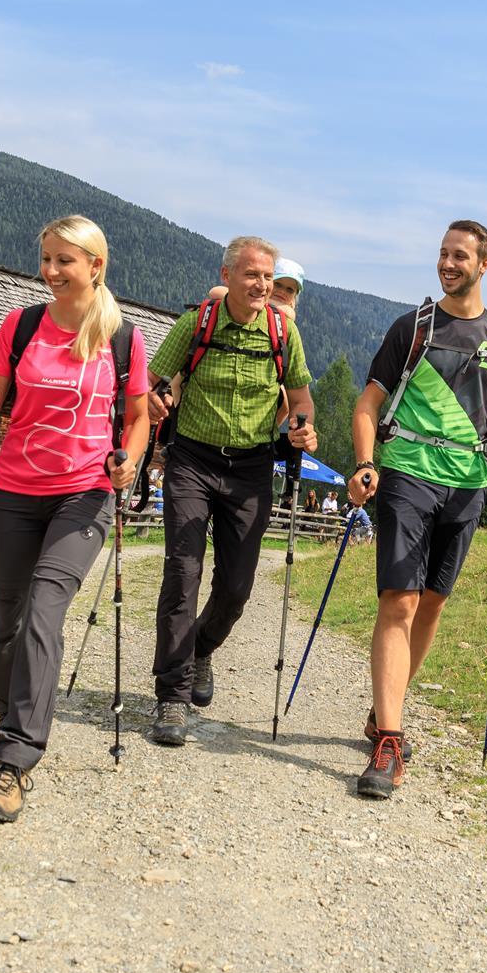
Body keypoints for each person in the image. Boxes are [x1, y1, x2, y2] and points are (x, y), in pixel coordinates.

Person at [0, 216, 148, 822]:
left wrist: (129, 460)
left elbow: (138, 419)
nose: (50, 271)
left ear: (95, 265)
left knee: (44, 611)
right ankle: (9, 713)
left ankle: (15, 761)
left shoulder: (122, 338)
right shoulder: (21, 325)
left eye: (64, 260)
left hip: (84, 494)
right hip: (14, 488)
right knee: (8, 621)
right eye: (46, 258)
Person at [346, 220, 487, 799]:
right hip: (408, 472)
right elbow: (367, 404)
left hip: (468, 482)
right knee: (399, 600)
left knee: (431, 603)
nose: (447, 264)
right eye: (442, 254)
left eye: (460, 256)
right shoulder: (414, 327)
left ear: (484, 265)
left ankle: (385, 710)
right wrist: (365, 462)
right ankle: (390, 741)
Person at [144, 236, 315, 746]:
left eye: (268, 276)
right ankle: (172, 695)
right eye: (252, 275)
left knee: (236, 587)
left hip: (251, 468)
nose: (262, 285)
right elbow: (152, 381)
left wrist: (303, 427)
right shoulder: (196, 323)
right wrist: (154, 400)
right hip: (193, 461)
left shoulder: (283, 332)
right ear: (227, 275)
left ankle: (200, 648)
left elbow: (302, 399)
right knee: (182, 572)